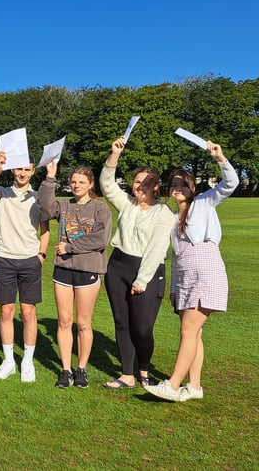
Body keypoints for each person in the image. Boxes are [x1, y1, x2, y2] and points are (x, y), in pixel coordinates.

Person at [146, 141, 238, 402]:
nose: (177, 189)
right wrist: (175, 288)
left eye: (182, 184)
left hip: (205, 270)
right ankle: (194, 386)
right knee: (193, 332)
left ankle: (173, 385)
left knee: (189, 330)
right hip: (185, 275)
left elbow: (229, 183)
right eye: (173, 185)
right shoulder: (174, 218)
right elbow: (176, 256)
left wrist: (220, 157)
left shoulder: (205, 202)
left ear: (192, 187)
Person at [100, 137, 173, 389]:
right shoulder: (127, 205)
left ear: (156, 187)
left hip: (147, 271)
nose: (140, 186)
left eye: (147, 182)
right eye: (137, 181)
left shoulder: (163, 212)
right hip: (118, 266)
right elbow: (107, 185)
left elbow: (156, 249)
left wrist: (142, 280)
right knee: (121, 322)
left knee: (142, 328)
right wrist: (114, 155)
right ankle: (127, 374)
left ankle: (144, 371)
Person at [38, 161, 112, 388]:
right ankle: (66, 369)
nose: (76, 185)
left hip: (88, 270)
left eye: (81, 182)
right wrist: (50, 177)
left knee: (82, 323)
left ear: (90, 184)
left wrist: (69, 247)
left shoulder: (100, 209)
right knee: (64, 320)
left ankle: (82, 368)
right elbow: (44, 208)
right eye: (73, 181)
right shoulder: (63, 205)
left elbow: (101, 239)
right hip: (63, 270)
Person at [0, 152, 49, 381]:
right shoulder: (3, 192)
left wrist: (41, 255)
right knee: (6, 311)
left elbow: (45, 229)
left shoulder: (39, 197)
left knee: (28, 312)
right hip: (5, 259)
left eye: (27, 170)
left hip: (30, 260)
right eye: (19, 169)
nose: (22, 173)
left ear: (32, 172)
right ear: (13, 170)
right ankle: (9, 360)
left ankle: (27, 361)